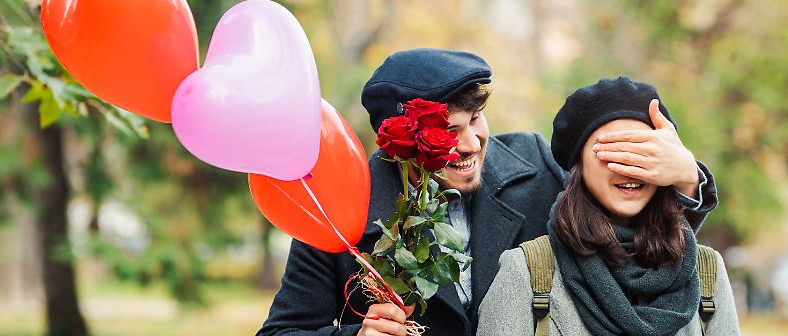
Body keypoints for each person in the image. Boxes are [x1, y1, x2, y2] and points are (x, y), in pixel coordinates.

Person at [257, 50, 720, 336]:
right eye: (447, 131)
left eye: (475, 120)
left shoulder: (536, 165)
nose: (471, 143)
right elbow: (282, 332)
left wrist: (686, 178)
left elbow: (635, 244)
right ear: (397, 142)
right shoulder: (339, 206)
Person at [477, 77, 740, 336]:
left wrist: (689, 175)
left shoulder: (707, 272)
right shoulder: (527, 273)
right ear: (578, 164)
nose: (628, 167)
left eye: (643, 152)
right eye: (611, 150)